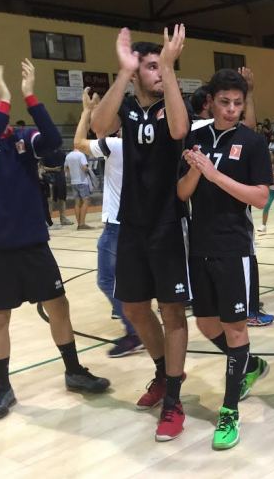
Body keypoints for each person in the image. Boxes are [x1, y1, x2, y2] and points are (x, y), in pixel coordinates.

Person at [0, 61, 109, 422]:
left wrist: (29, 95)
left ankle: (73, 370)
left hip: (33, 244)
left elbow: (54, 143)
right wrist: (6, 104)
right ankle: (2, 388)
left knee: (59, 306)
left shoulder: (23, 139)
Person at [91, 25, 191, 442]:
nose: (154, 72)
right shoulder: (129, 108)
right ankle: (162, 374)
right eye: (148, 67)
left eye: (158, 66)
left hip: (168, 223)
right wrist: (123, 70)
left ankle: (175, 399)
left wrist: (168, 68)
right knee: (133, 307)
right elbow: (98, 125)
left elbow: (180, 130)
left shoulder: (171, 104)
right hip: (130, 223)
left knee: (171, 312)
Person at [177, 68, 272, 450]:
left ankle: (229, 411)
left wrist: (215, 176)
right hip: (199, 246)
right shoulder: (195, 138)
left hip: (235, 248)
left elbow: (261, 197)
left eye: (238, 103)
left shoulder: (252, 142)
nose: (232, 109)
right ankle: (249, 364)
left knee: (235, 329)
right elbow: (182, 193)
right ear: (210, 102)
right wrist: (199, 172)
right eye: (224, 102)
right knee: (204, 323)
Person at [72, 88, 143, 357]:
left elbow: (79, 142)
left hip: (116, 225)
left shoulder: (114, 146)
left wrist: (87, 111)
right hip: (137, 223)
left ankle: (135, 330)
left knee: (106, 280)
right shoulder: (143, 148)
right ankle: (139, 325)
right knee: (130, 281)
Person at [64, 148, 93, 229]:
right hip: (82, 181)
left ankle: (79, 224)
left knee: (77, 203)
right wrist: (89, 169)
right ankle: (82, 223)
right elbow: (84, 168)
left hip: (73, 181)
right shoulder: (81, 155)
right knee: (86, 201)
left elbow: (66, 169)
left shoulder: (68, 156)